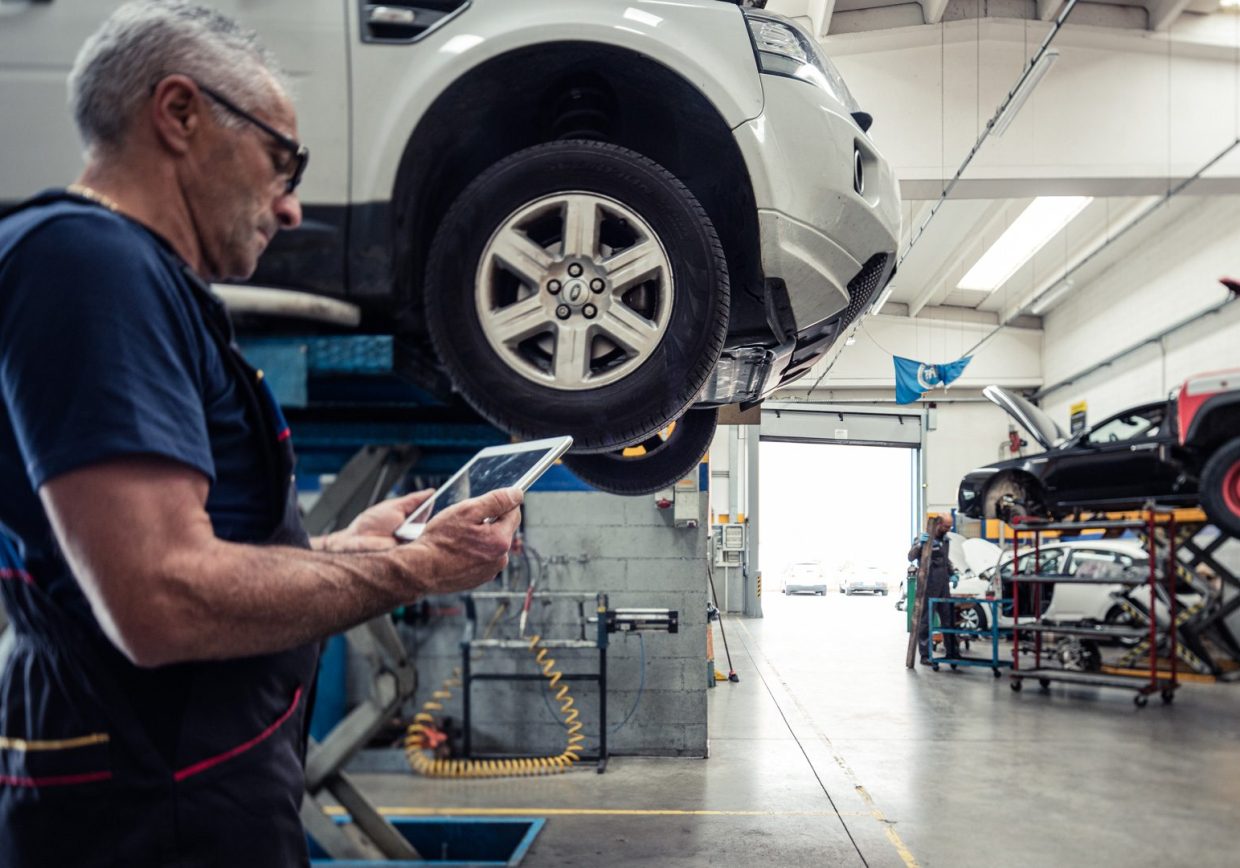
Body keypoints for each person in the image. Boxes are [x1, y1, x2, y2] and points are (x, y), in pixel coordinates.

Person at [0, 3, 522, 865]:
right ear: (179, 114)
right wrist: (413, 568)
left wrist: (349, 548)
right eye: (284, 160)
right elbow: (162, 599)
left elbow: (186, 552)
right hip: (146, 817)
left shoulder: (133, 279)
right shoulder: (86, 265)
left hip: (190, 787)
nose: (290, 209)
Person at [908, 515, 957, 665]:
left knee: (948, 619)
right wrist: (919, 546)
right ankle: (925, 655)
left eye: (950, 527)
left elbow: (945, 559)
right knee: (926, 621)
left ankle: (952, 652)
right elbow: (911, 557)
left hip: (943, 585)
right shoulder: (923, 538)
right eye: (946, 527)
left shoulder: (946, 540)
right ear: (938, 524)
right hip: (928, 585)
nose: (948, 530)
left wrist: (953, 573)